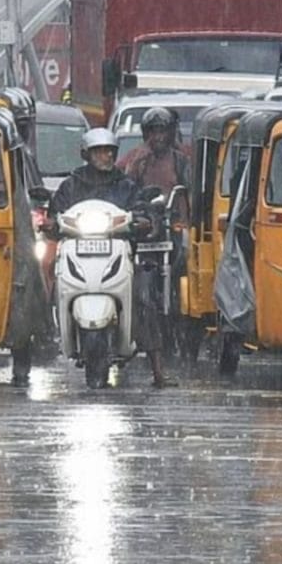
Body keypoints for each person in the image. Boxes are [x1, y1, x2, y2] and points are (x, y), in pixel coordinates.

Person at [48, 127, 176, 388]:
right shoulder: (71, 186)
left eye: (109, 151)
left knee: (144, 295)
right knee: (50, 278)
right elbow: (55, 213)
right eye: (99, 151)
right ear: (86, 154)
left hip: (119, 255)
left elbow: (142, 208)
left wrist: (144, 220)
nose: (106, 156)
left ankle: (158, 370)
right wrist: (50, 223)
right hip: (78, 253)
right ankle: (43, 335)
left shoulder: (126, 185)